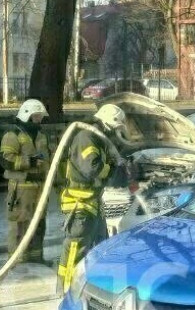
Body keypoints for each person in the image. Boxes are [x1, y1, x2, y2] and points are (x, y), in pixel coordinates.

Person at [57, 104, 127, 292]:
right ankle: (67, 289)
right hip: (80, 205)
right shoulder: (86, 138)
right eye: (116, 127)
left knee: (100, 247)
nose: (116, 132)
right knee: (75, 248)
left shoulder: (98, 138)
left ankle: (93, 286)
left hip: (93, 203)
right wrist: (113, 169)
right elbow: (91, 169)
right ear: (109, 121)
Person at [0, 99, 51, 264]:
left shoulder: (41, 135)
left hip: (40, 187)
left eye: (40, 116)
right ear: (27, 115)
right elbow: (5, 160)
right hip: (21, 187)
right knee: (20, 223)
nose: (39, 119)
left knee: (39, 223)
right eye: (36, 116)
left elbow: (49, 159)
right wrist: (29, 162)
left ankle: (36, 257)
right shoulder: (12, 135)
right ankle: (17, 258)